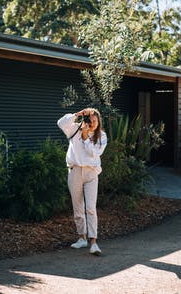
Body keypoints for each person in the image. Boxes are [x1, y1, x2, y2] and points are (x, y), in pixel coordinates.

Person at [57, 108, 107, 256]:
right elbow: (60, 123)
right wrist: (78, 114)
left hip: (91, 173)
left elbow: (95, 153)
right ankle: (82, 238)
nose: (91, 124)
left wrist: (85, 138)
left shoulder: (101, 136)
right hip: (75, 170)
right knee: (77, 206)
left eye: (94, 121)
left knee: (91, 207)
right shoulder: (75, 129)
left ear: (98, 121)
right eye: (89, 120)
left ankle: (94, 242)